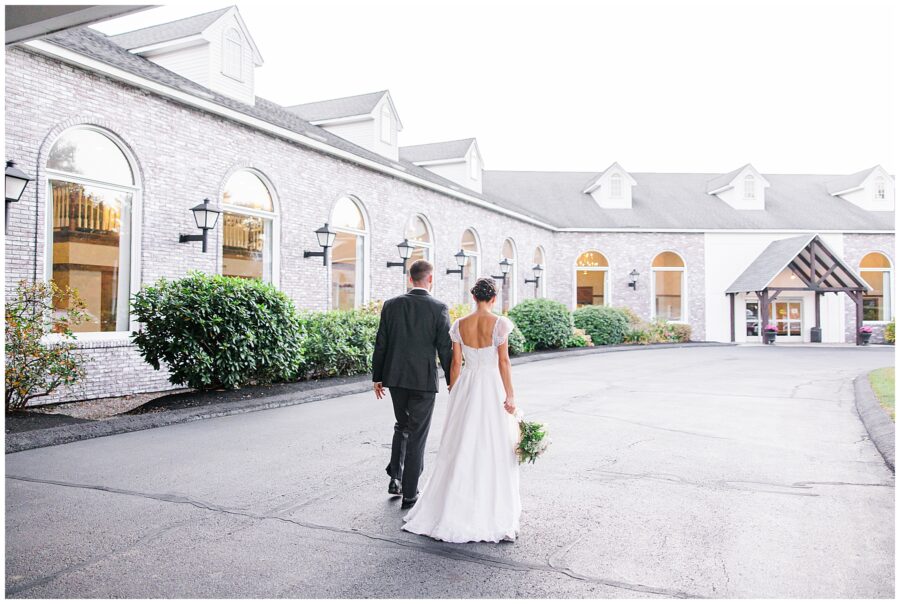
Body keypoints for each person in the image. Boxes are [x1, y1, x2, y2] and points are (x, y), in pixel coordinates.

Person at [401, 277, 521, 543]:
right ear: (494, 297)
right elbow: (503, 362)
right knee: (492, 443)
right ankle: (489, 507)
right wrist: (510, 394)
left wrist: (454, 390)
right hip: (491, 385)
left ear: (473, 296)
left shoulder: (459, 325)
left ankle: (451, 505)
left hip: (467, 384)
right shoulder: (500, 324)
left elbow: (455, 363)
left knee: (460, 442)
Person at [372, 259, 453, 510]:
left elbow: (381, 343)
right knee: (417, 434)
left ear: (410, 279)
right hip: (423, 381)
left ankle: (395, 477)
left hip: (395, 379)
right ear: (430, 279)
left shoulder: (391, 305)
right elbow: (445, 349)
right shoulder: (439, 308)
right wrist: (453, 381)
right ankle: (409, 492)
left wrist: (378, 377)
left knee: (402, 425)